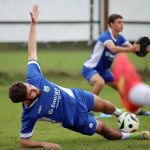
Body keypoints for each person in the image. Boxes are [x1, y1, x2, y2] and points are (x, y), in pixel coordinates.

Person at [8, 5, 150, 149]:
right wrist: (43, 144)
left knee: (107, 106)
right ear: (25, 100)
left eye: (30, 86)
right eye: (30, 92)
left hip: (77, 96)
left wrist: (34, 24)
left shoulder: (33, 78)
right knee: (104, 129)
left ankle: (121, 115)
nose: (34, 88)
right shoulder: (29, 114)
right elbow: (24, 142)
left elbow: (32, 51)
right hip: (75, 119)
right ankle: (132, 135)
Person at [81, 14, 139, 96]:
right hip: (90, 68)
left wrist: (143, 48)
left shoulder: (121, 38)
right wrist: (130, 49)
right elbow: (113, 48)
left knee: (122, 87)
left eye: (122, 22)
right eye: (119, 22)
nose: (122, 24)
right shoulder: (105, 36)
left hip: (104, 71)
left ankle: (133, 109)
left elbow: (133, 49)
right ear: (111, 24)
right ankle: (87, 107)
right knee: (100, 83)